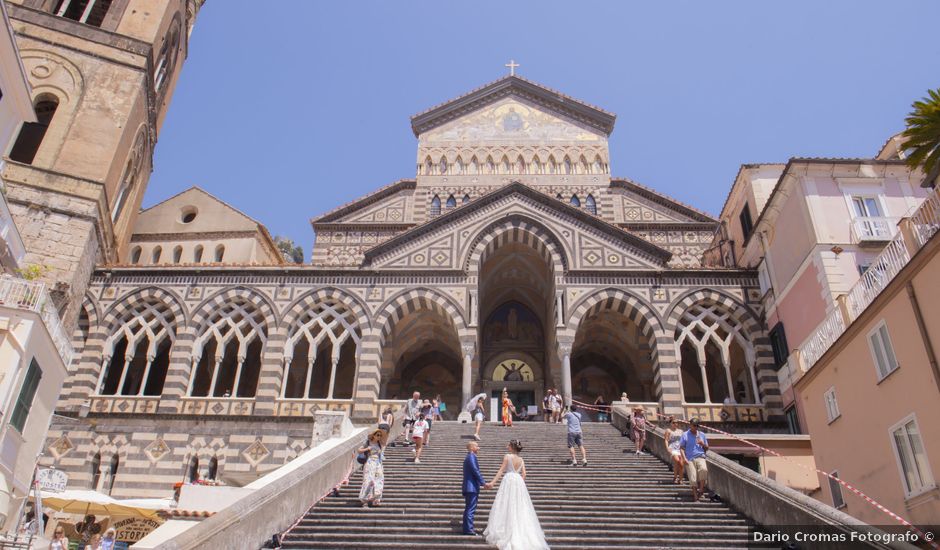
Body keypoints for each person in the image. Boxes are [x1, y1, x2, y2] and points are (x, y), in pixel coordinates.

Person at [482, 440, 549, 549]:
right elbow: (524, 474)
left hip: (508, 480)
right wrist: (519, 483)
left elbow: (501, 470)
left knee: (506, 504)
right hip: (518, 481)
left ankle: (506, 528)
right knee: (519, 505)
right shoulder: (521, 459)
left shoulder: (507, 456)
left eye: (508, 445)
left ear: (512, 447)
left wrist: (492, 483)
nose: (506, 446)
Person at [680, 417, 710, 501]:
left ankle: (701, 490)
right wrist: (684, 458)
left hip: (700, 456)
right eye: (694, 425)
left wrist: (702, 443)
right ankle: (695, 495)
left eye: (697, 425)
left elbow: (707, 448)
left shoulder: (702, 435)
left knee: (704, 470)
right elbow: (681, 448)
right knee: (693, 477)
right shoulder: (685, 435)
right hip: (689, 458)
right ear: (690, 425)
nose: (696, 427)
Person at [462, 441, 488, 536]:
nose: (479, 448)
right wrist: (483, 483)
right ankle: (469, 529)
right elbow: (475, 470)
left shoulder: (469, 457)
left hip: (470, 487)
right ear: (472, 447)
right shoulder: (471, 457)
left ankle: (467, 528)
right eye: (477, 446)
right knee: (470, 508)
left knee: (469, 508)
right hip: (471, 487)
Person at [358, 429, 386, 507]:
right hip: (370, 462)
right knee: (368, 480)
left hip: (378, 463)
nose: (379, 437)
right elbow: (359, 450)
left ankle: (376, 499)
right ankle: (365, 500)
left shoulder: (379, 444)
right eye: (378, 435)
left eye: (380, 435)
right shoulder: (368, 443)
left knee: (379, 479)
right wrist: (367, 449)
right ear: (374, 435)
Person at [664, 416, 685, 484]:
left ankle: (679, 478)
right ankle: (676, 477)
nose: (675, 424)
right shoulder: (668, 430)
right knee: (677, 460)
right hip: (672, 448)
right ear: (671, 423)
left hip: (680, 448)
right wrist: (667, 448)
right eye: (674, 423)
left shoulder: (681, 431)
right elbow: (666, 440)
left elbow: (683, 440)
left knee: (680, 464)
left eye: (676, 423)